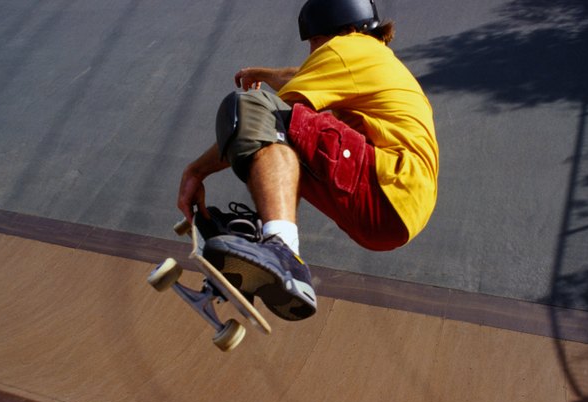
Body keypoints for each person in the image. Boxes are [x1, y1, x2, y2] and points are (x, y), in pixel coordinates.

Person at [177, 0, 439, 321]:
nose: (311, 52)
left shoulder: (344, 48)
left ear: (331, 32)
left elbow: (262, 120)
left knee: (254, 109)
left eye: (313, 43)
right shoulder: (368, 56)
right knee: (290, 141)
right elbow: (299, 76)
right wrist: (260, 73)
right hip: (393, 215)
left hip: (386, 185)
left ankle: (281, 250)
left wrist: (195, 172)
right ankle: (262, 248)